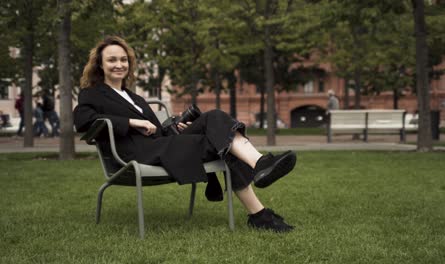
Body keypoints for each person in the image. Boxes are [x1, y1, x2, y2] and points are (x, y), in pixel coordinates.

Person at [74, 36, 297, 232]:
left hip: (162, 145)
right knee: (223, 141)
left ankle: (260, 171)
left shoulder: (136, 98)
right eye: (112, 60)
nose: (119, 64)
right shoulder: (92, 94)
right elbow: (82, 121)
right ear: (100, 65)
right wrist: (130, 122)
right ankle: (259, 209)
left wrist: (173, 127)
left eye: (123, 60)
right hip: (137, 153)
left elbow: (155, 131)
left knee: (215, 118)